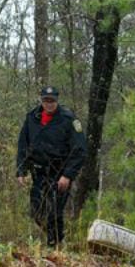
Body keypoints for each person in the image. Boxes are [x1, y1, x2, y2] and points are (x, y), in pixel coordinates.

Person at [17, 86, 87, 248]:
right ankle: (55, 238)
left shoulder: (69, 119)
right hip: (38, 172)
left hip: (59, 173)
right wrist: (21, 170)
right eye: (45, 100)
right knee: (36, 211)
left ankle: (55, 245)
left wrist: (68, 175)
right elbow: (23, 145)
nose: (49, 104)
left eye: (52, 101)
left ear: (57, 100)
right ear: (41, 100)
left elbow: (80, 150)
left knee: (54, 212)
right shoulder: (32, 117)